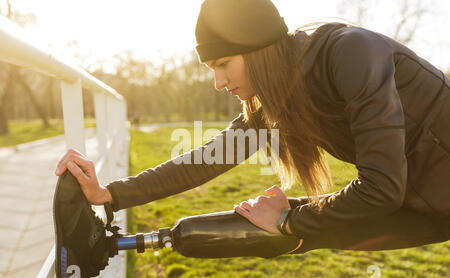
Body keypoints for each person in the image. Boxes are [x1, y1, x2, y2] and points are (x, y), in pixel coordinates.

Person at [55, 0, 450, 254]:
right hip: (426, 208)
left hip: (418, 200)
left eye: (224, 64)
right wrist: (110, 193)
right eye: (212, 70)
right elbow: (208, 159)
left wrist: (288, 219)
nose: (219, 84)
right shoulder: (285, 92)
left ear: (259, 49)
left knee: (287, 228)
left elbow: (381, 188)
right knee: (276, 234)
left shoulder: (351, 54)